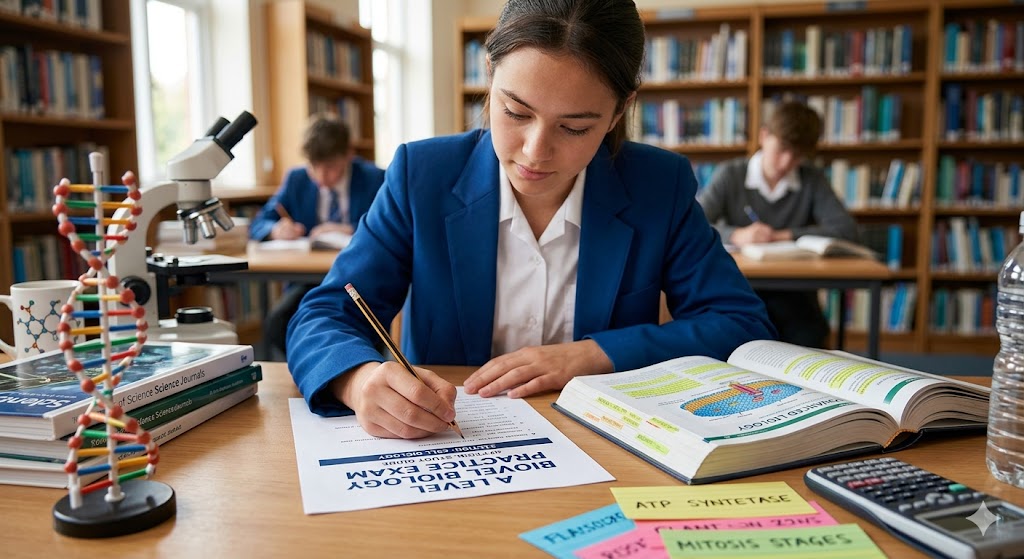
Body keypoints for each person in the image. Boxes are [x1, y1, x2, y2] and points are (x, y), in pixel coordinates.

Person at [287, 0, 776, 440]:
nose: (535, 152)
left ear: (618, 113)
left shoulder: (657, 185)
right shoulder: (423, 175)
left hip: (608, 448)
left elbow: (740, 324)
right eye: (516, 112)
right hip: (450, 447)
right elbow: (323, 316)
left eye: (575, 127)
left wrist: (591, 355)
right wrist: (358, 380)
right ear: (489, 73)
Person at [697, 100, 859, 348]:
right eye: (782, 149)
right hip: (740, 290)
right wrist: (737, 234)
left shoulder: (811, 179)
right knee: (738, 339)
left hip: (797, 298)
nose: (786, 163)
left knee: (807, 341)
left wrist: (780, 235)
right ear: (764, 136)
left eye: (797, 156)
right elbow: (694, 225)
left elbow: (846, 230)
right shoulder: (731, 175)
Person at [249, 114, 385, 360]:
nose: (321, 177)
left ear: (349, 155)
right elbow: (260, 222)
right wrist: (276, 229)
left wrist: (353, 228)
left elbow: (390, 226)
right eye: (314, 167)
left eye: (331, 168)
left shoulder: (375, 178)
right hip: (308, 281)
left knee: (359, 328)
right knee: (279, 322)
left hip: (359, 278)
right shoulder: (297, 179)